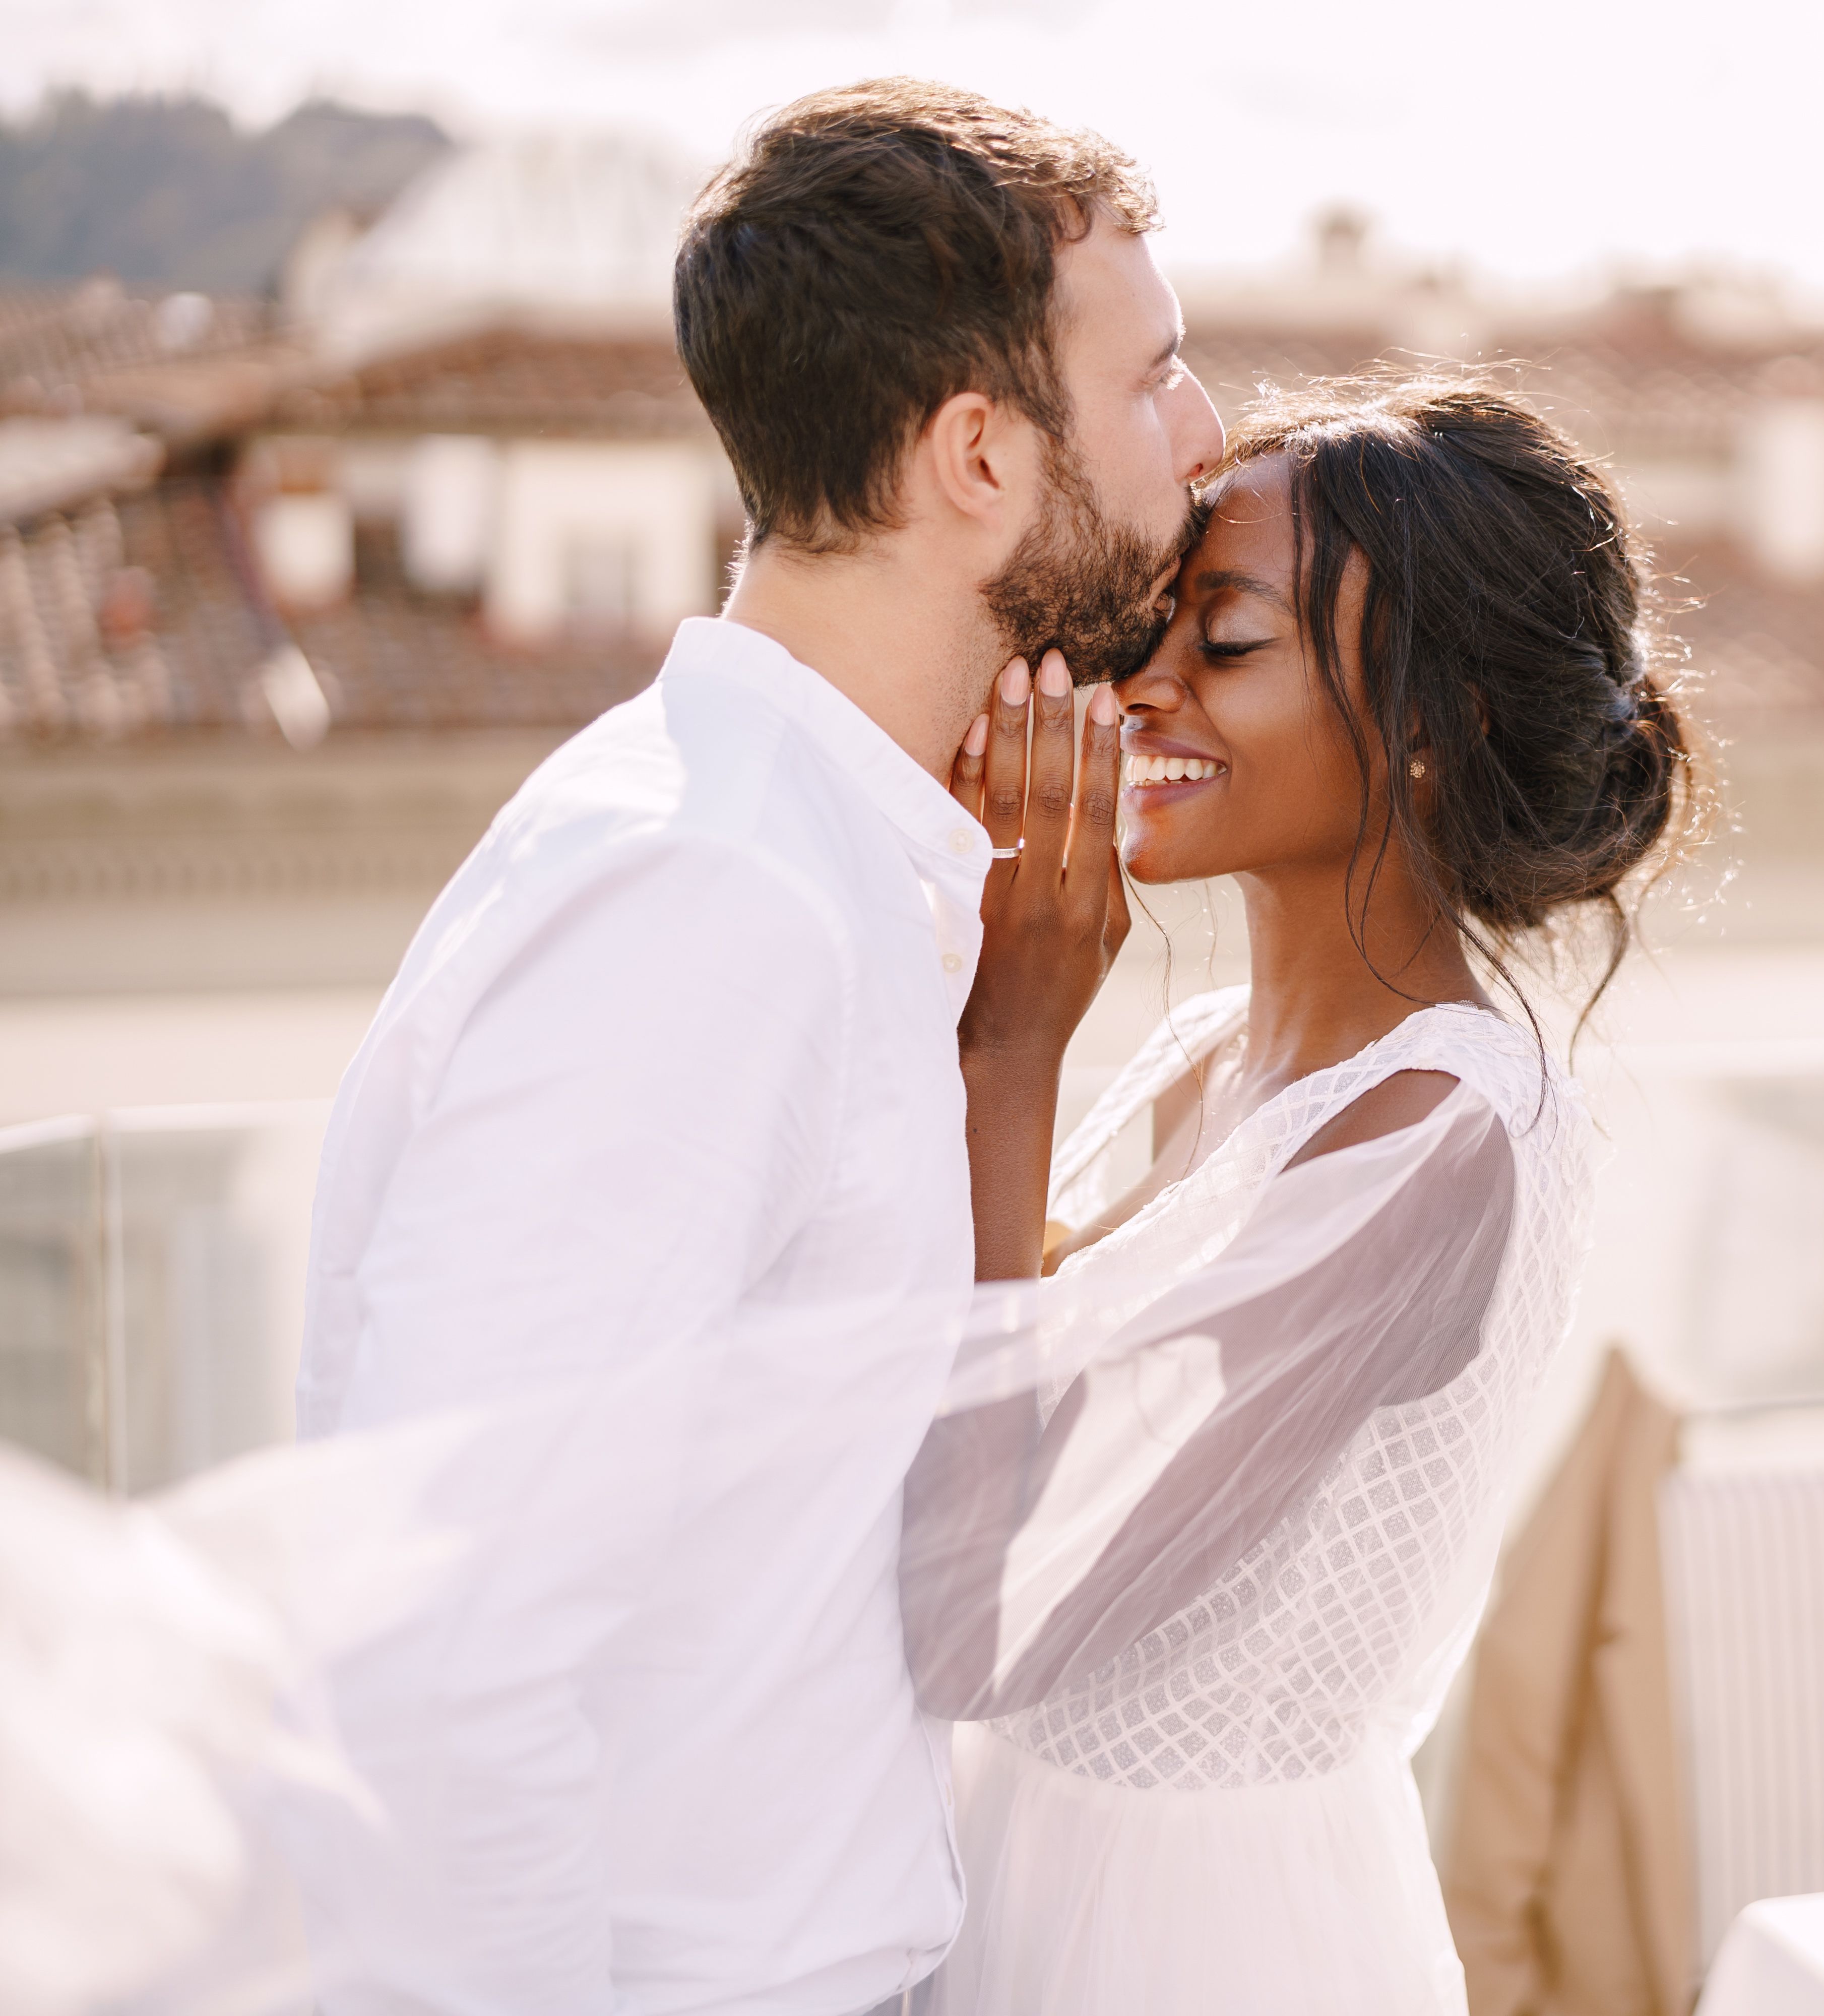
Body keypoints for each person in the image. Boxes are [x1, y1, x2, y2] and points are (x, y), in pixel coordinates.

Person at [288, 79, 1219, 2013]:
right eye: (1155, 382)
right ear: (980, 453)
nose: (1204, 442)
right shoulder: (709, 901)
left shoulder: (819, 865)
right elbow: (442, 1652)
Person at [896, 379, 1696, 2014]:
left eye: (1228, 644)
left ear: (1431, 717)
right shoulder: (1208, 1064)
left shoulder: (1437, 1140)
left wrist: (1013, 1051)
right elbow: (983, 1347)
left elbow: (979, 1613)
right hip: (1031, 1869)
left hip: (1196, 1943)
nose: (1145, 693)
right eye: (1151, 635)